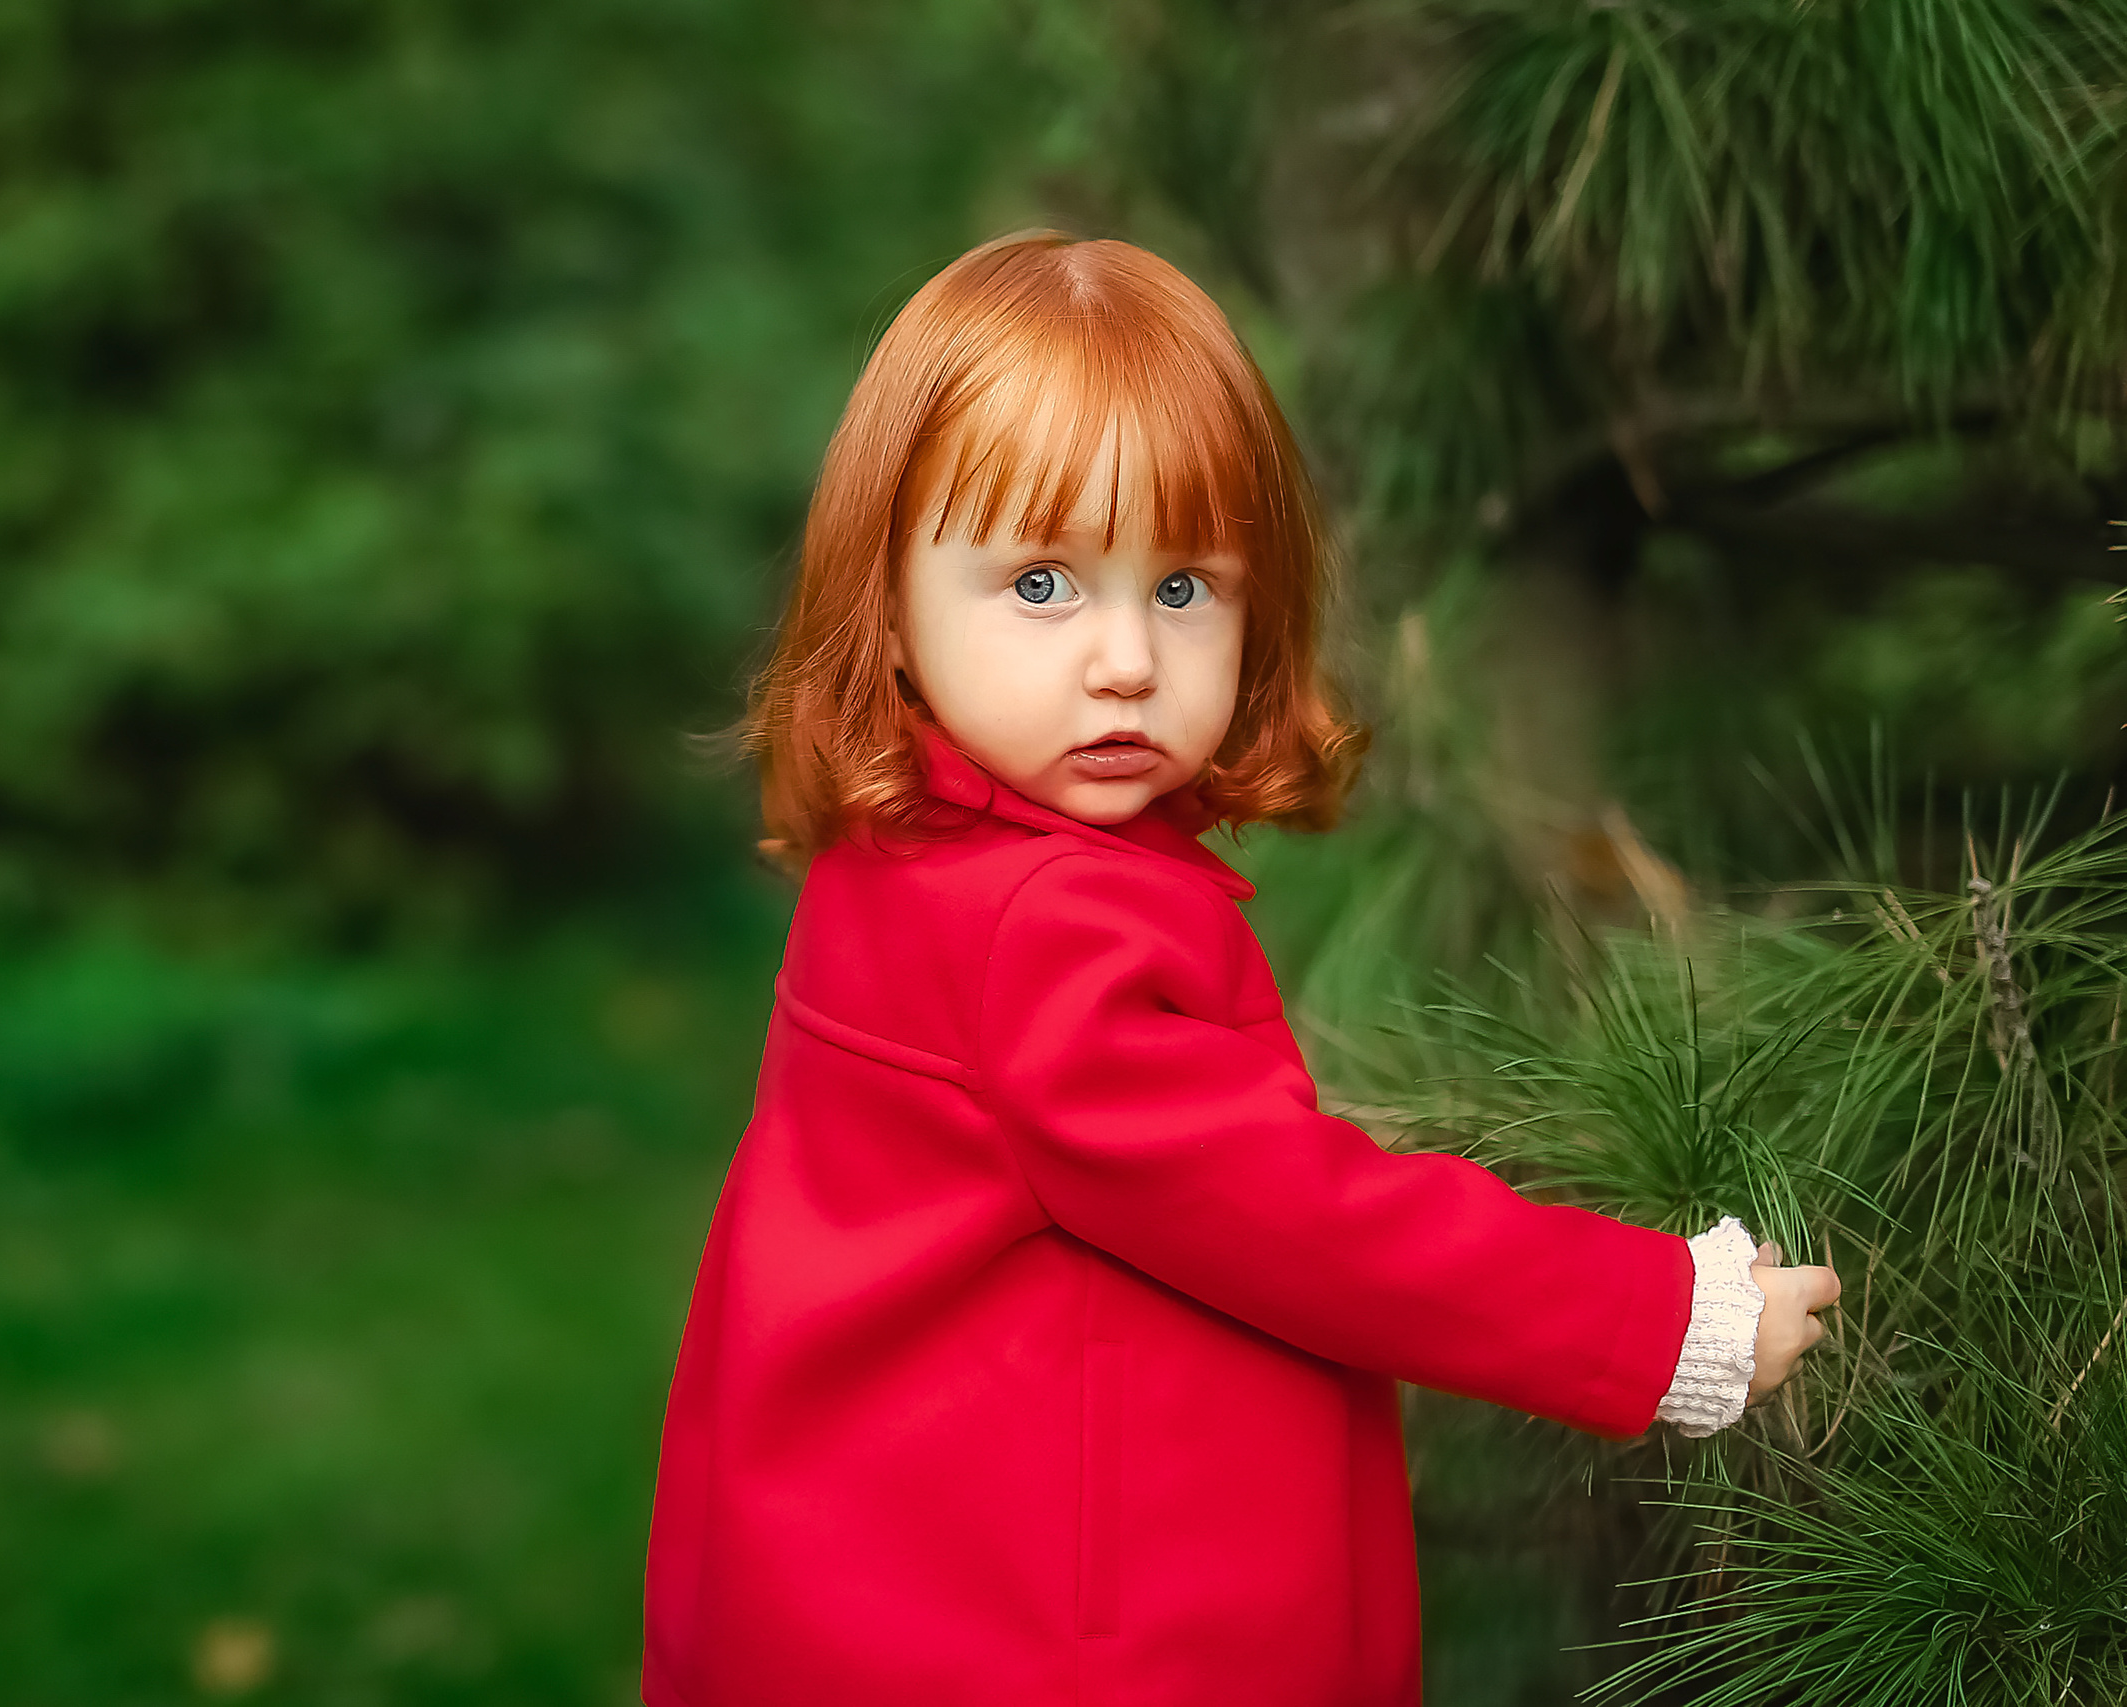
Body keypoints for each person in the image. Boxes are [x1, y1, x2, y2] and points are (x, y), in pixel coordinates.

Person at [640, 231, 1841, 1707]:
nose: (1127, 659)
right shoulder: (1041, 929)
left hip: (889, 1566)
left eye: (1187, 588)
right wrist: (1663, 1319)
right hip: (1065, 1644)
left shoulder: (909, 861)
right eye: (1040, 585)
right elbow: (1307, 1224)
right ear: (888, 607)